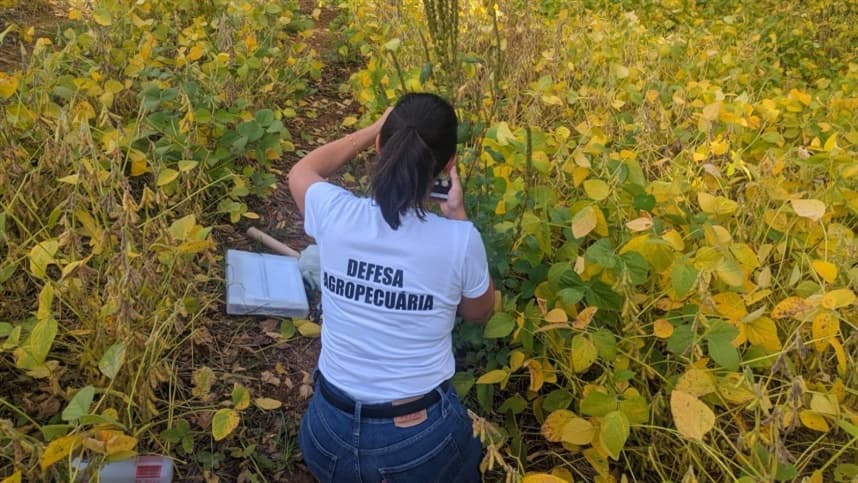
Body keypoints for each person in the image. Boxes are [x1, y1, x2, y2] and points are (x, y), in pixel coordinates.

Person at [288, 92, 495, 483]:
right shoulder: (458, 240)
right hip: (418, 442)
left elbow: (302, 171)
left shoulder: (335, 213)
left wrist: (371, 130)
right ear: (448, 165)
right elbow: (479, 312)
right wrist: (458, 217)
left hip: (326, 431)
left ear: (382, 146)